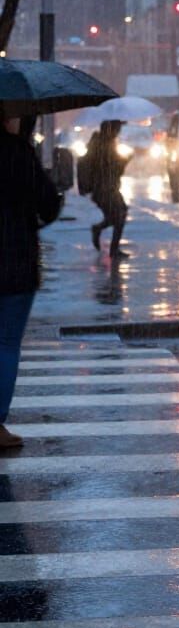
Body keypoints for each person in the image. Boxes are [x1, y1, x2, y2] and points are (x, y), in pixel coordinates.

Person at [0, 116, 63, 452]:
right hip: (15, 262)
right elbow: (49, 206)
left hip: (15, 262)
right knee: (6, 342)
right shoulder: (17, 153)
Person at [84, 120, 130, 258]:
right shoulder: (106, 145)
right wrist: (125, 161)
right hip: (105, 189)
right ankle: (113, 249)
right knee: (119, 216)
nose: (119, 131)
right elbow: (114, 170)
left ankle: (98, 230)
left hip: (105, 188)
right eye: (117, 128)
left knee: (117, 215)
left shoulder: (101, 144)